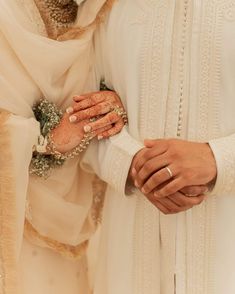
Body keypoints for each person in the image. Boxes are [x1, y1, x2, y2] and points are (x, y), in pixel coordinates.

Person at [78, 0, 235, 293]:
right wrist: (132, 163)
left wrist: (217, 159)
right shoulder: (105, 7)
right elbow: (74, 112)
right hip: (130, 255)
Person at [0, 1, 125, 294]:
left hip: (63, 226)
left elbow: (129, 86)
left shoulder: (100, 14)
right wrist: (45, 138)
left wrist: (113, 107)